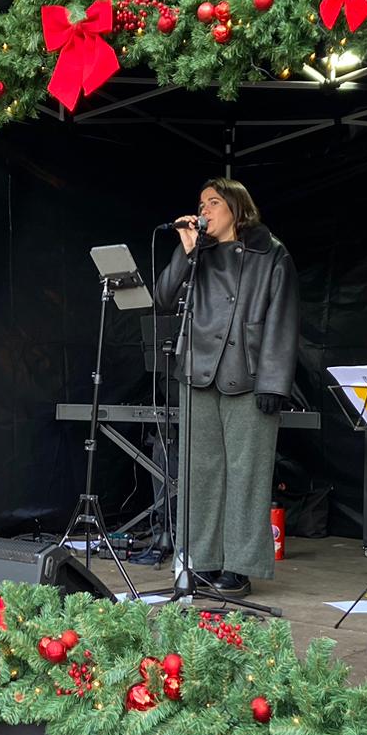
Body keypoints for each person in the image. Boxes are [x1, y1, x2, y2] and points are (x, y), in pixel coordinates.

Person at [155, 178, 298, 596]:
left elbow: (283, 320)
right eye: (201, 203)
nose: (204, 210)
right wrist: (185, 253)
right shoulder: (197, 253)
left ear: (237, 207)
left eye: (213, 203)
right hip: (198, 373)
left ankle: (239, 565)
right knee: (199, 473)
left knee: (247, 474)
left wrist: (274, 381)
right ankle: (201, 560)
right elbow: (163, 297)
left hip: (249, 375)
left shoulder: (270, 253)